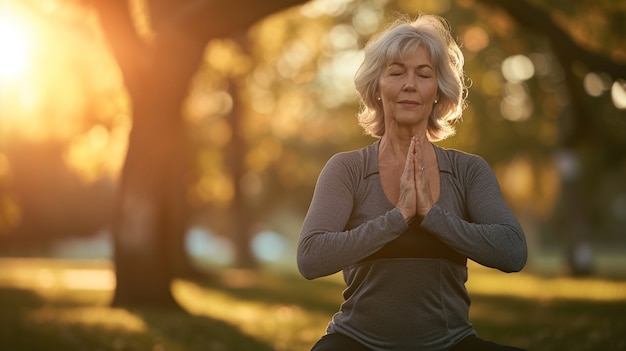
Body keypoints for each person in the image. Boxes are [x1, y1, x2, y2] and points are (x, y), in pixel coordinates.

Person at [297, 13, 529, 351]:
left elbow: (513, 251)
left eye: (424, 74)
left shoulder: (468, 171)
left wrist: (432, 216)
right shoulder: (347, 169)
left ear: (438, 90)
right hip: (357, 342)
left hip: (451, 344)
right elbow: (310, 258)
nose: (410, 84)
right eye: (396, 72)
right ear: (377, 88)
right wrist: (398, 218)